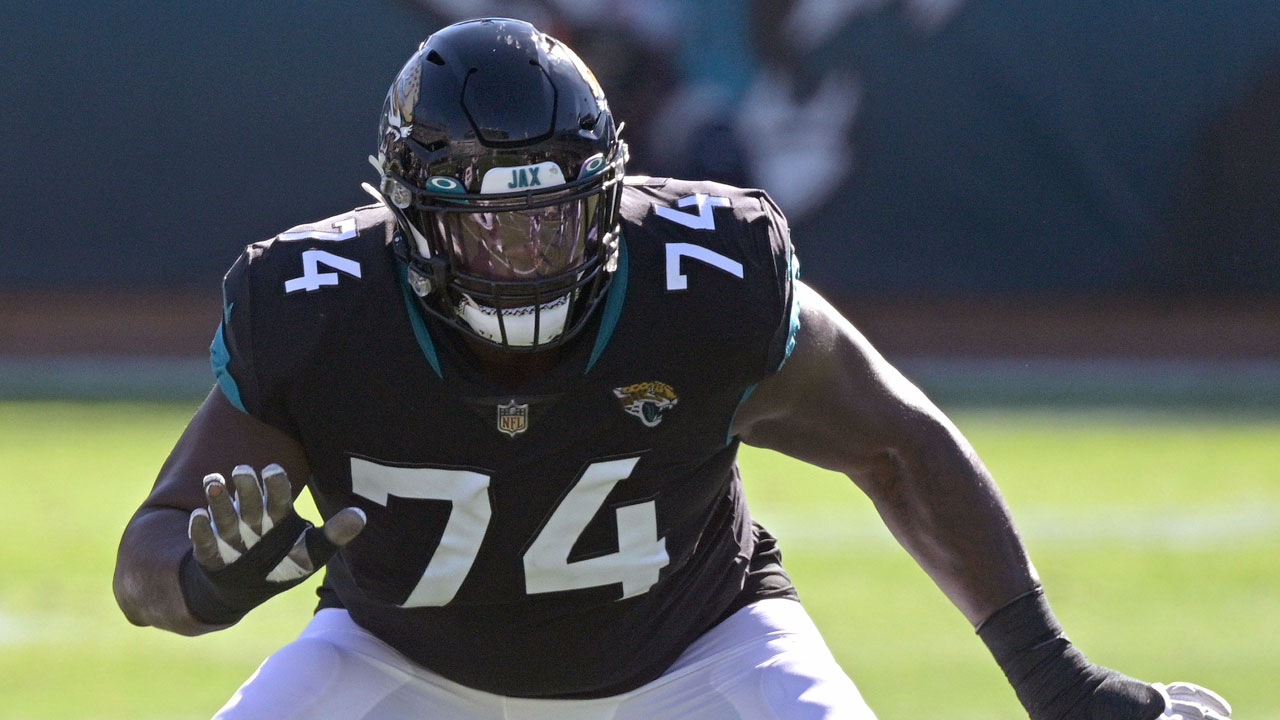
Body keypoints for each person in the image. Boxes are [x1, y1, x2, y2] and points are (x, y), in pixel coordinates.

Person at [112, 17, 1231, 720]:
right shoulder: (318, 308)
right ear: (406, 218)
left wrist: (1052, 680)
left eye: (555, 215)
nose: (528, 251)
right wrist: (202, 580)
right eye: (492, 224)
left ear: (610, 190)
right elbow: (144, 561)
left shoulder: (699, 276)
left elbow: (895, 442)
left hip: (696, 653)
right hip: (395, 657)